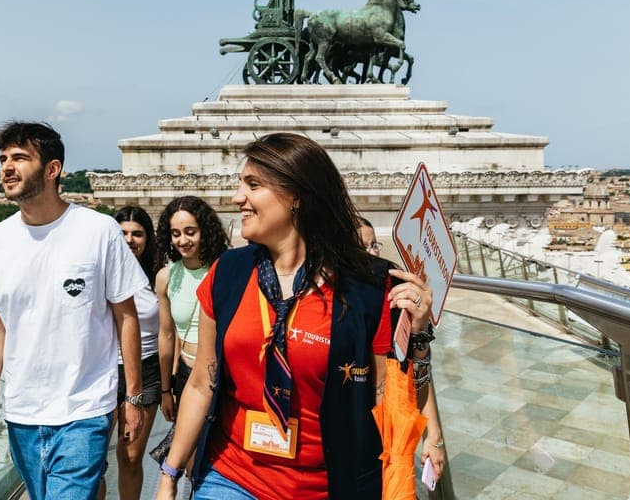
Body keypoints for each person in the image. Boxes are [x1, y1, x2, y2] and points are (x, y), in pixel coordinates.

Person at [155, 133, 438, 499]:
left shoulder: (370, 288)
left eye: (252, 185)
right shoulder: (228, 273)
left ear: (296, 196)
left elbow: (392, 399)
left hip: (327, 485)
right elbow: (200, 383)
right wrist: (169, 474)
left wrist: (417, 338)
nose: (236, 198)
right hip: (232, 476)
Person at [0, 121, 149, 500]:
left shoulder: (99, 231)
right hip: (21, 414)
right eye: (3, 158)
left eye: (20, 158)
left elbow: (126, 316)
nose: (6, 167)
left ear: (52, 170)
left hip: (85, 409)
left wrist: (132, 398)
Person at [356, 217, 447, 482]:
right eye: (362, 246)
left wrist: (435, 437)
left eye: (374, 245)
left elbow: (417, 375)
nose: (372, 253)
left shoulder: (394, 304)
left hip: (391, 443)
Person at [153, 196, 230, 473]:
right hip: (186, 376)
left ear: (204, 231)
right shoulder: (165, 277)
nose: (183, 240)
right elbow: (166, 335)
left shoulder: (226, 270)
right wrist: (165, 389)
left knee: (219, 454)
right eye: (175, 234)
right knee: (188, 457)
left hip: (223, 375)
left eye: (190, 232)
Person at [98, 206, 167, 500]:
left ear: (147, 238)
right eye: (122, 233)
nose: (129, 240)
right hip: (103, 370)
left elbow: (169, 331)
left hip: (146, 371)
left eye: (137, 233)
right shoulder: (99, 273)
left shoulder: (158, 276)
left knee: (130, 457)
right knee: (93, 461)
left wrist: (168, 387)